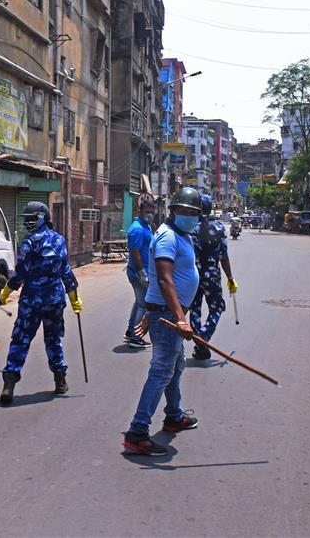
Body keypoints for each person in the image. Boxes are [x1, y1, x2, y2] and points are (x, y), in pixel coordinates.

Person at [122, 187, 202, 456]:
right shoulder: (167, 237)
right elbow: (165, 279)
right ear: (175, 210)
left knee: (176, 366)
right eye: (187, 211)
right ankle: (137, 432)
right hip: (169, 317)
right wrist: (179, 318)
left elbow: (160, 284)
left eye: (195, 213)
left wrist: (150, 312)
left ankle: (174, 415)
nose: (191, 216)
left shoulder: (182, 235)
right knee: (161, 372)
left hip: (165, 313)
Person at [0, 201, 82, 405]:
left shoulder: (29, 242)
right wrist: (73, 296)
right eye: (26, 219)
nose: (27, 223)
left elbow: (21, 272)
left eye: (31, 219)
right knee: (53, 340)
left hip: (31, 301)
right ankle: (60, 380)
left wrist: (7, 290)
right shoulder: (60, 240)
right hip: (54, 300)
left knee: (20, 340)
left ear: (43, 218)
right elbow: (66, 271)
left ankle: (9, 383)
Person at [188, 194, 238, 360]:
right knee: (216, 308)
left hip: (193, 275)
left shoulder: (190, 228)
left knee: (194, 308)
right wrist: (230, 278)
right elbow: (224, 256)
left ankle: (199, 342)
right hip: (212, 274)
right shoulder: (219, 228)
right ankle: (204, 335)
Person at [123, 195, 156, 349]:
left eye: (152, 212)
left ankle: (130, 332)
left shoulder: (146, 227)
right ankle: (136, 337)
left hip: (143, 271)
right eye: (147, 211)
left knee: (139, 302)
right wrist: (142, 272)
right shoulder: (137, 229)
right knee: (144, 304)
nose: (150, 215)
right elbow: (135, 252)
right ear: (140, 211)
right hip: (138, 272)